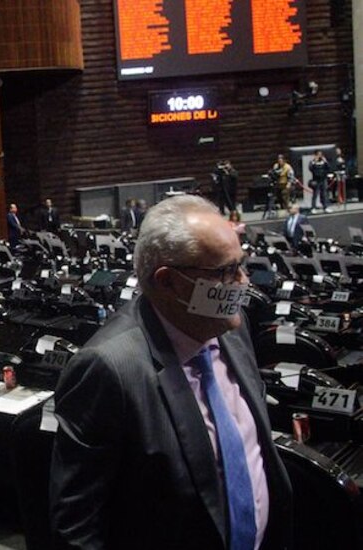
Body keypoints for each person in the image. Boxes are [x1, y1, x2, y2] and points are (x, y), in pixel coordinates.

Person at [49, 195, 292, 549]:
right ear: (168, 282)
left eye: (242, 265)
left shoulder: (231, 328)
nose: (243, 282)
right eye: (225, 271)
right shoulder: (108, 368)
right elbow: (76, 528)